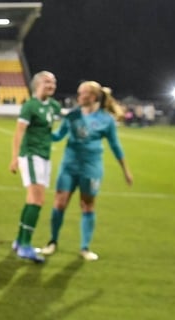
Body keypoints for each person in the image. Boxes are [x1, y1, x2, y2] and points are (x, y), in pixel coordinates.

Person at [40, 81, 133, 261]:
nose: (79, 96)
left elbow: (115, 146)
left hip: (91, 169)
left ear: (93, 97)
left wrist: (126, 170)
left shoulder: (105, 119)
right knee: (59, 203)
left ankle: (85, 247)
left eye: (83, 93)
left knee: (87, 205)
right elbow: (58, 136)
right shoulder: (72, 115)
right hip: (69, 166)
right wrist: (41, 130)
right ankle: (52, 242)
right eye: (79, 92)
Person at [9, 70, 60, 263]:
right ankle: (25, 245)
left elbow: (50, 133)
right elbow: (19, 133)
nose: (52, 85)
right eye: (47, 81)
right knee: (37, 200)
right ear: (37, 84)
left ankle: (20, 241)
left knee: (33, 200)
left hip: (45, 156)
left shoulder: (54, 106)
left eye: (53, 82)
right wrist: (14, 158)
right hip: (31, 156)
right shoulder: (30, 106)